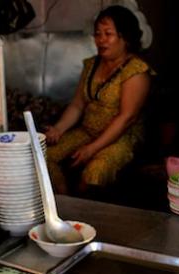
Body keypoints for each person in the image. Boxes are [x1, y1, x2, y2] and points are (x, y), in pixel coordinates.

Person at [45, 5, 152, 194]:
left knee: (95, 171)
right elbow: (78, 104)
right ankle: (64, 203)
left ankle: (85, 213)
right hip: (87, 131)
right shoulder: (92, 64)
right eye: (97, 34)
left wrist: (91, 149)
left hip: (121, 137)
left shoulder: (136, 71)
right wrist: (59, 129)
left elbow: (126, 118)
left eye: (108, 34)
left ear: (124, 38)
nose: (101, 40)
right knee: (44, 156)